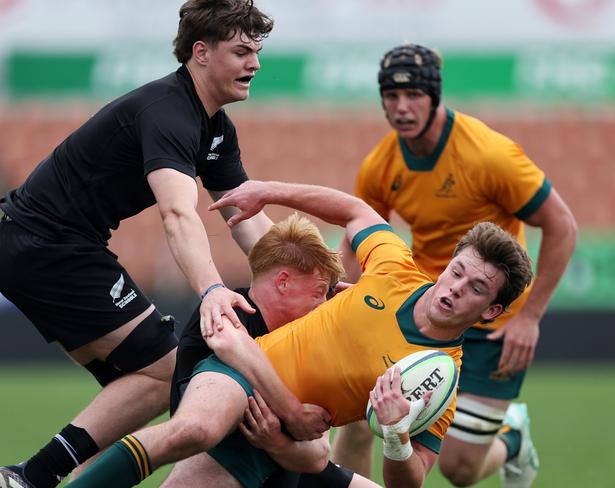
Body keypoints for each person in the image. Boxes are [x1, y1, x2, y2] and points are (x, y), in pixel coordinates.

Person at [0, 3, 325, 488]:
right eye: (241, 52)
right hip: (47, 243)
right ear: (201, 53)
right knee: (162, 372)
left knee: (131, 390)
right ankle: (29, 478)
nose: (254, 64)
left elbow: (243, 220)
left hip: (49, 243)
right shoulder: (169, 112)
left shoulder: (216, 128)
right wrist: (213, 289)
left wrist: (303, 285)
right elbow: (177, 213)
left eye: (256, 52)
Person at [63, 179, 534, 488]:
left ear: (491, 310)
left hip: (285, 439)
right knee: (194, 429)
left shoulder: (440, 383)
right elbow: (353, 210)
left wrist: (395, 432)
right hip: (242, 373)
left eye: (475, 288)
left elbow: (409, 481)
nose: (454, 288)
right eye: (456, 271)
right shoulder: (395, 269)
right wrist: (268, 191)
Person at [331, 43, 577, 488]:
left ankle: (514, 438)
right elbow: (359, 230)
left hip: (495, 323)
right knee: (357, 413)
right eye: (391, 96)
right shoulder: (381, 164)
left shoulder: (489, 155)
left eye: (414, 96)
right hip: (422, 312)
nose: (401, 108)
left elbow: (562, 225)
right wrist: (348, 291)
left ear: (435, 95)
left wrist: (532, 318)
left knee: (459, 471)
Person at [165, 213, 378, 488]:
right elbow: (232, 354)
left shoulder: (310, 338)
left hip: (287, 467)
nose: (323, 305)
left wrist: (277, 441)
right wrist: (292, 414)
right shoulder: (224, 314)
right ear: (283, 282)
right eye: (319, 292)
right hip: (225, 466)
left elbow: (317, 455)